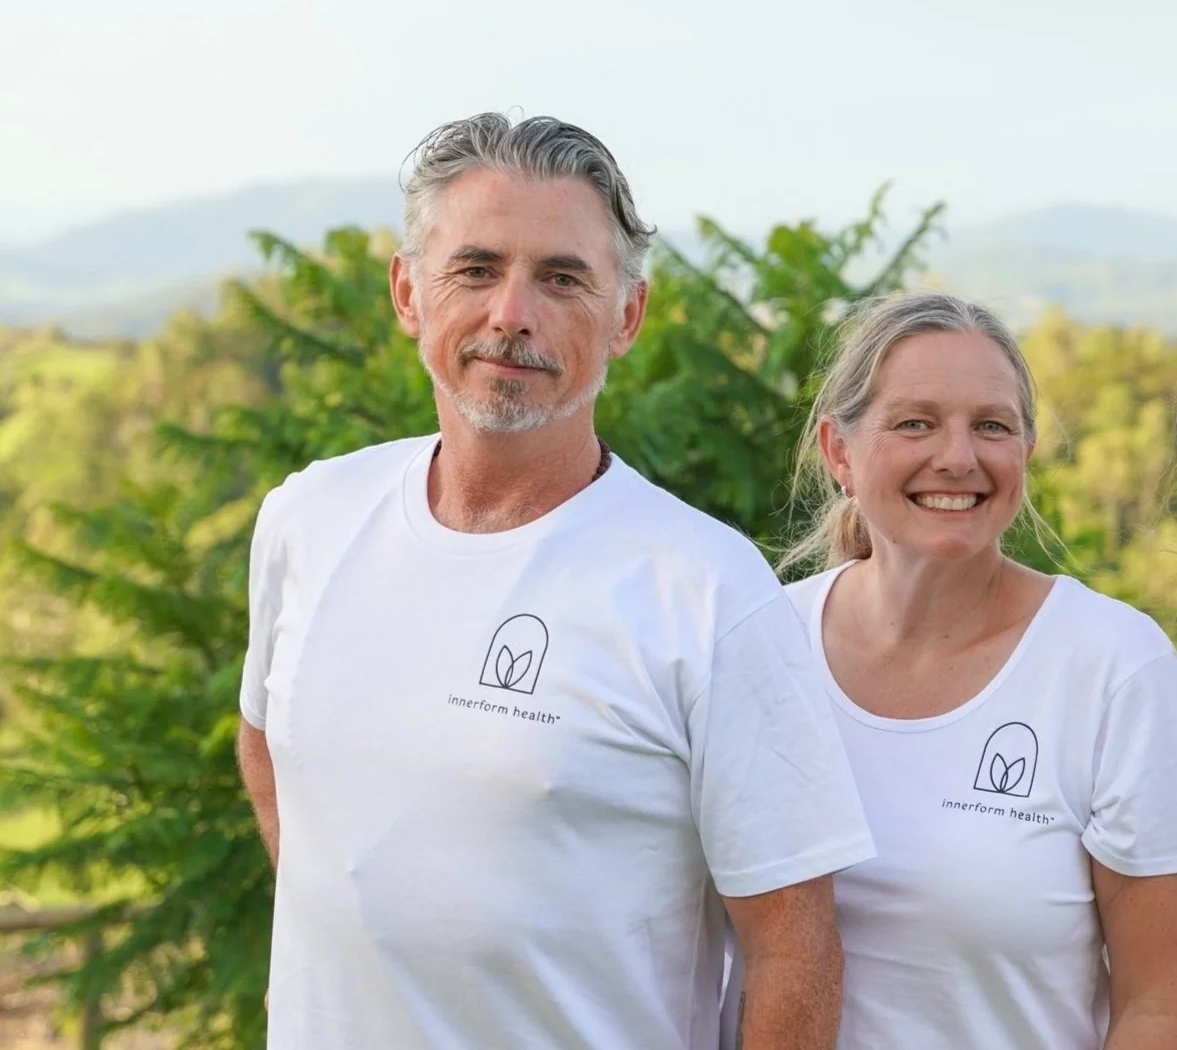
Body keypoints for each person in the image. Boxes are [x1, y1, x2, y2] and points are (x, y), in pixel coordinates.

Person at [236, 113, 874, 1049]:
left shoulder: (703, 588)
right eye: (477, 268)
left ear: (627, 316)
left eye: (563, 277)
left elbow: (795, 948)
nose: (512, 314)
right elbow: (267, 745)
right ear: (409, 291)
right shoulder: (308, 518)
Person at [745, 292, 1177, 1049]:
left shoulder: (1112, 668)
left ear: (1025, 451)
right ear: (840, 452)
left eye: (991, 425)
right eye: (916, 422)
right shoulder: (761, 643)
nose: (958, 457)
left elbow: (1158, 1003)